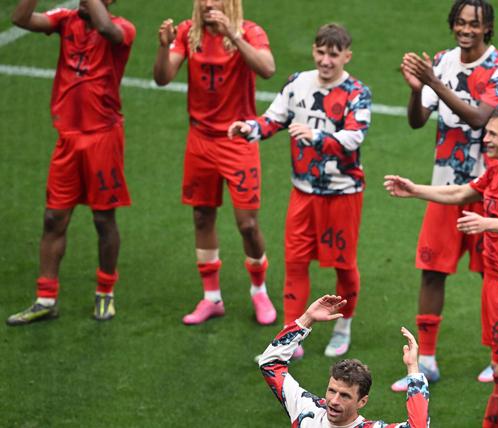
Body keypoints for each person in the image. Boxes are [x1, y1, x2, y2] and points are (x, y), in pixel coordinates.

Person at [385, 107, 498, 428]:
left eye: (493, 134)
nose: (485, 139)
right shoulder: (496, 170)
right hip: (495, 281)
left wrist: (486, 223)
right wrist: (415, 190)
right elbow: (461, 191)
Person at [228, 23, 371, 359]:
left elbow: (354, 137)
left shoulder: (357, 93)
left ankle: (343, 326)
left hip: (342, 194)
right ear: (313, 51)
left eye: (333, 55)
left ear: (347, 56)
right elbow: (273, 119)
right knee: (295, 263)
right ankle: (292, 336)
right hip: (303, 192)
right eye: (320, 52)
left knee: (343, 265)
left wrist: (317, 136)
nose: (325, 60)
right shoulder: (297, 83)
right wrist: (249, 128)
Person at [397, 0, 498, 389]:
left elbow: (480, 118)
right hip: (444, 188)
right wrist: (417, 90)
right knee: (432, 270)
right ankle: (426, 360)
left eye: (474, 24)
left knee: (493, 275)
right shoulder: (443, 62)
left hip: (488, 191)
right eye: (460, 23)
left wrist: (433, 82)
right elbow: (417, 121)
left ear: (487, 28)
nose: (466, 30)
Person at [6, 0, 135, 325]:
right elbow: (20, 19)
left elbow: (106, 28)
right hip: (67, 138)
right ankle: (45, 299)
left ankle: (105, 292)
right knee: (53, 218)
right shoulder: (65, 20)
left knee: (103, 220)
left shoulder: (123, 29)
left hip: (103, 138)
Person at [153, 0, 277, 326]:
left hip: (238, 139)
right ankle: (212, 298)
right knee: (201, 216)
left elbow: (267, 69)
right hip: (200, 140)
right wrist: (164, 48)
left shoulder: (249, 32)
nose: (209, 3)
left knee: (248, 225)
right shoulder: (187, 32)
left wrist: (233, 36)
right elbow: (163, 78)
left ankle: (259, 290)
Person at [257, 295, 429, 427]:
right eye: (332, 391)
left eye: (345, 396)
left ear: (362, 402)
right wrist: (307, 319)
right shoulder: (307, 409)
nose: (334, 401)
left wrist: (413, 368)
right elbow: (270, 364)